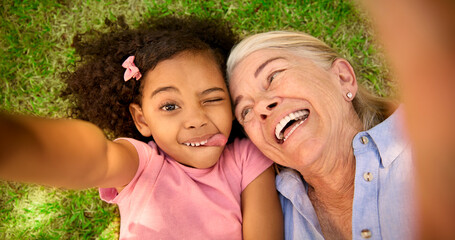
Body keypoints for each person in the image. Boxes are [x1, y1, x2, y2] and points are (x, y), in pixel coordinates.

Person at [0, 16, 283, 239]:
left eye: (212, 99)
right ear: (142, 119)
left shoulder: (248, 157)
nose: (196, 119)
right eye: (170, 106)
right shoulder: (142, 165)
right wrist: (16, 144)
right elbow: (95, 157)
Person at [226, 31, 414, 239]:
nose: (261, 106)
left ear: (343, 78)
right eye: (245, 111)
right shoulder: (269, 217)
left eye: (273, 76)